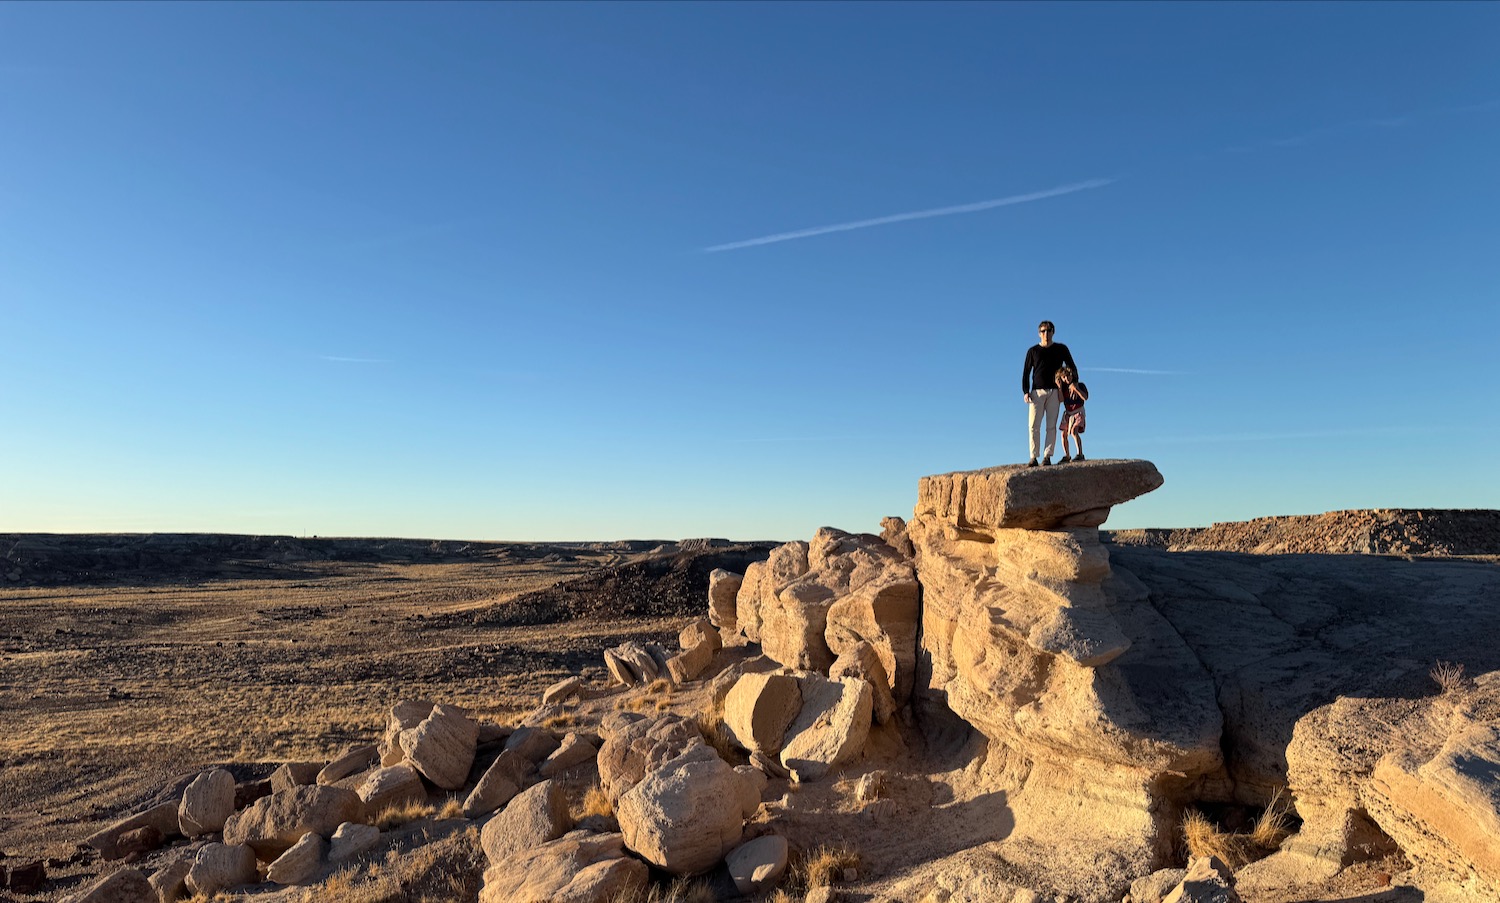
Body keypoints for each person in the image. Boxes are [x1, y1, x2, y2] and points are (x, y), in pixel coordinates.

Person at [1021, 320, 1076, 466]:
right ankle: (1033, 457)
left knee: (1051, 425)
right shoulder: (1033, 351)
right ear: (1039, 333)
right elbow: (1026, 372)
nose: (1046, 333)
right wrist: (1026, 391)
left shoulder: (1061, 349)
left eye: (1049, 330)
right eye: (1043, 331)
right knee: (1033, 425)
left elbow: (1072, 366)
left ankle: (1047, 456)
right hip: (1036, 392)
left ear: (1053, 332)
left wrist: (1072, 384)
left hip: (1055, 391)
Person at [1056, 365, 1088, 463]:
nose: (1067, 378)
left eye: (1068, 376)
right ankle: (1067, 455)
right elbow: (1061, 400)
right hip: (1068, 413)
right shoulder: (1064, 389)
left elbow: (1085, 397)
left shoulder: (1079, 385)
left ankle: (1080, 453)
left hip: (1078, 411)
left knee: (1074, 431)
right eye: (1064, 377)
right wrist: (1060, 388)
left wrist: (1076, 389)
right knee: (1063, 434)